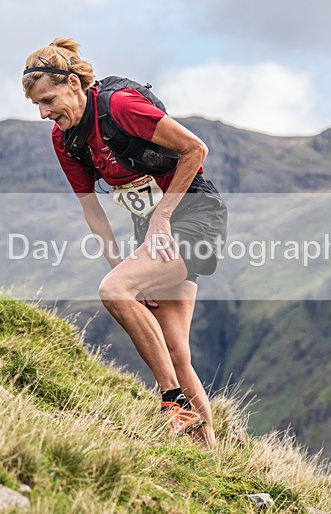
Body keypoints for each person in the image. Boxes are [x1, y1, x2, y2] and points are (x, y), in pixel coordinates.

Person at [22, 38, 227, 448]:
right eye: (37, 107)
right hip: (152, 232)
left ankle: (171, 403)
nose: (45, 113)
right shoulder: (65, 140)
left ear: (74, 84)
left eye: (48, 100)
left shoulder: (119, 107)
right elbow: (93, 212)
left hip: (194, 218)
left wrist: (162, 219)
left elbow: (194, 149)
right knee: (174, 349)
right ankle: (212, 459)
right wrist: (125, 266)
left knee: (113, 291)